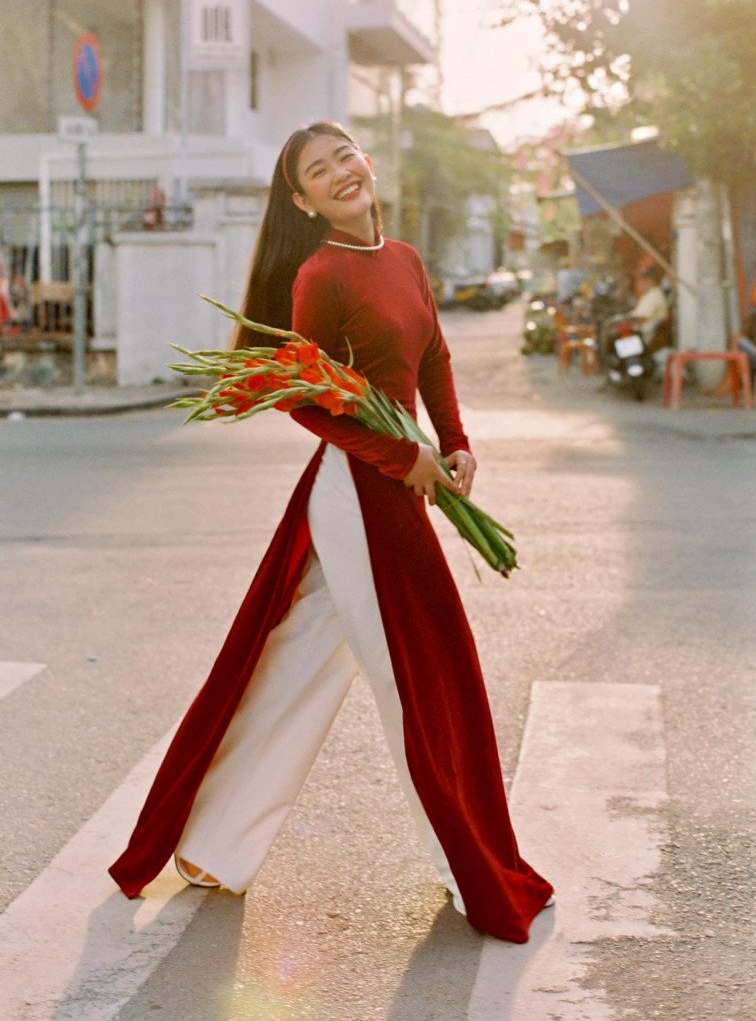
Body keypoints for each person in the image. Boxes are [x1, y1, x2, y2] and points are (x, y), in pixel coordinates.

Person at [109, 121, 553, 943]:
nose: (341, 172)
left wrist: (452, 443)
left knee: (287, 666)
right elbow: (300, 397)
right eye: (320, 170)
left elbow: (433, 361)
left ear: (366, 161)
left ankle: (207, 842)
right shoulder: (321, 274)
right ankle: (474, 870)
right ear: (303, 199)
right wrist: (398, 455)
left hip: (394, 488)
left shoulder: (406, 259)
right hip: (361, 497)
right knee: (422, 682)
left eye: (345, 154)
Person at [631, 266, 669, 344]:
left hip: (645, 338)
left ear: (651, 280)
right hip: (641, 335)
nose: (639, 283)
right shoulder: (649, 294)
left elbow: (641, 318)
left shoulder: (654, 295)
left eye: (643, 279)